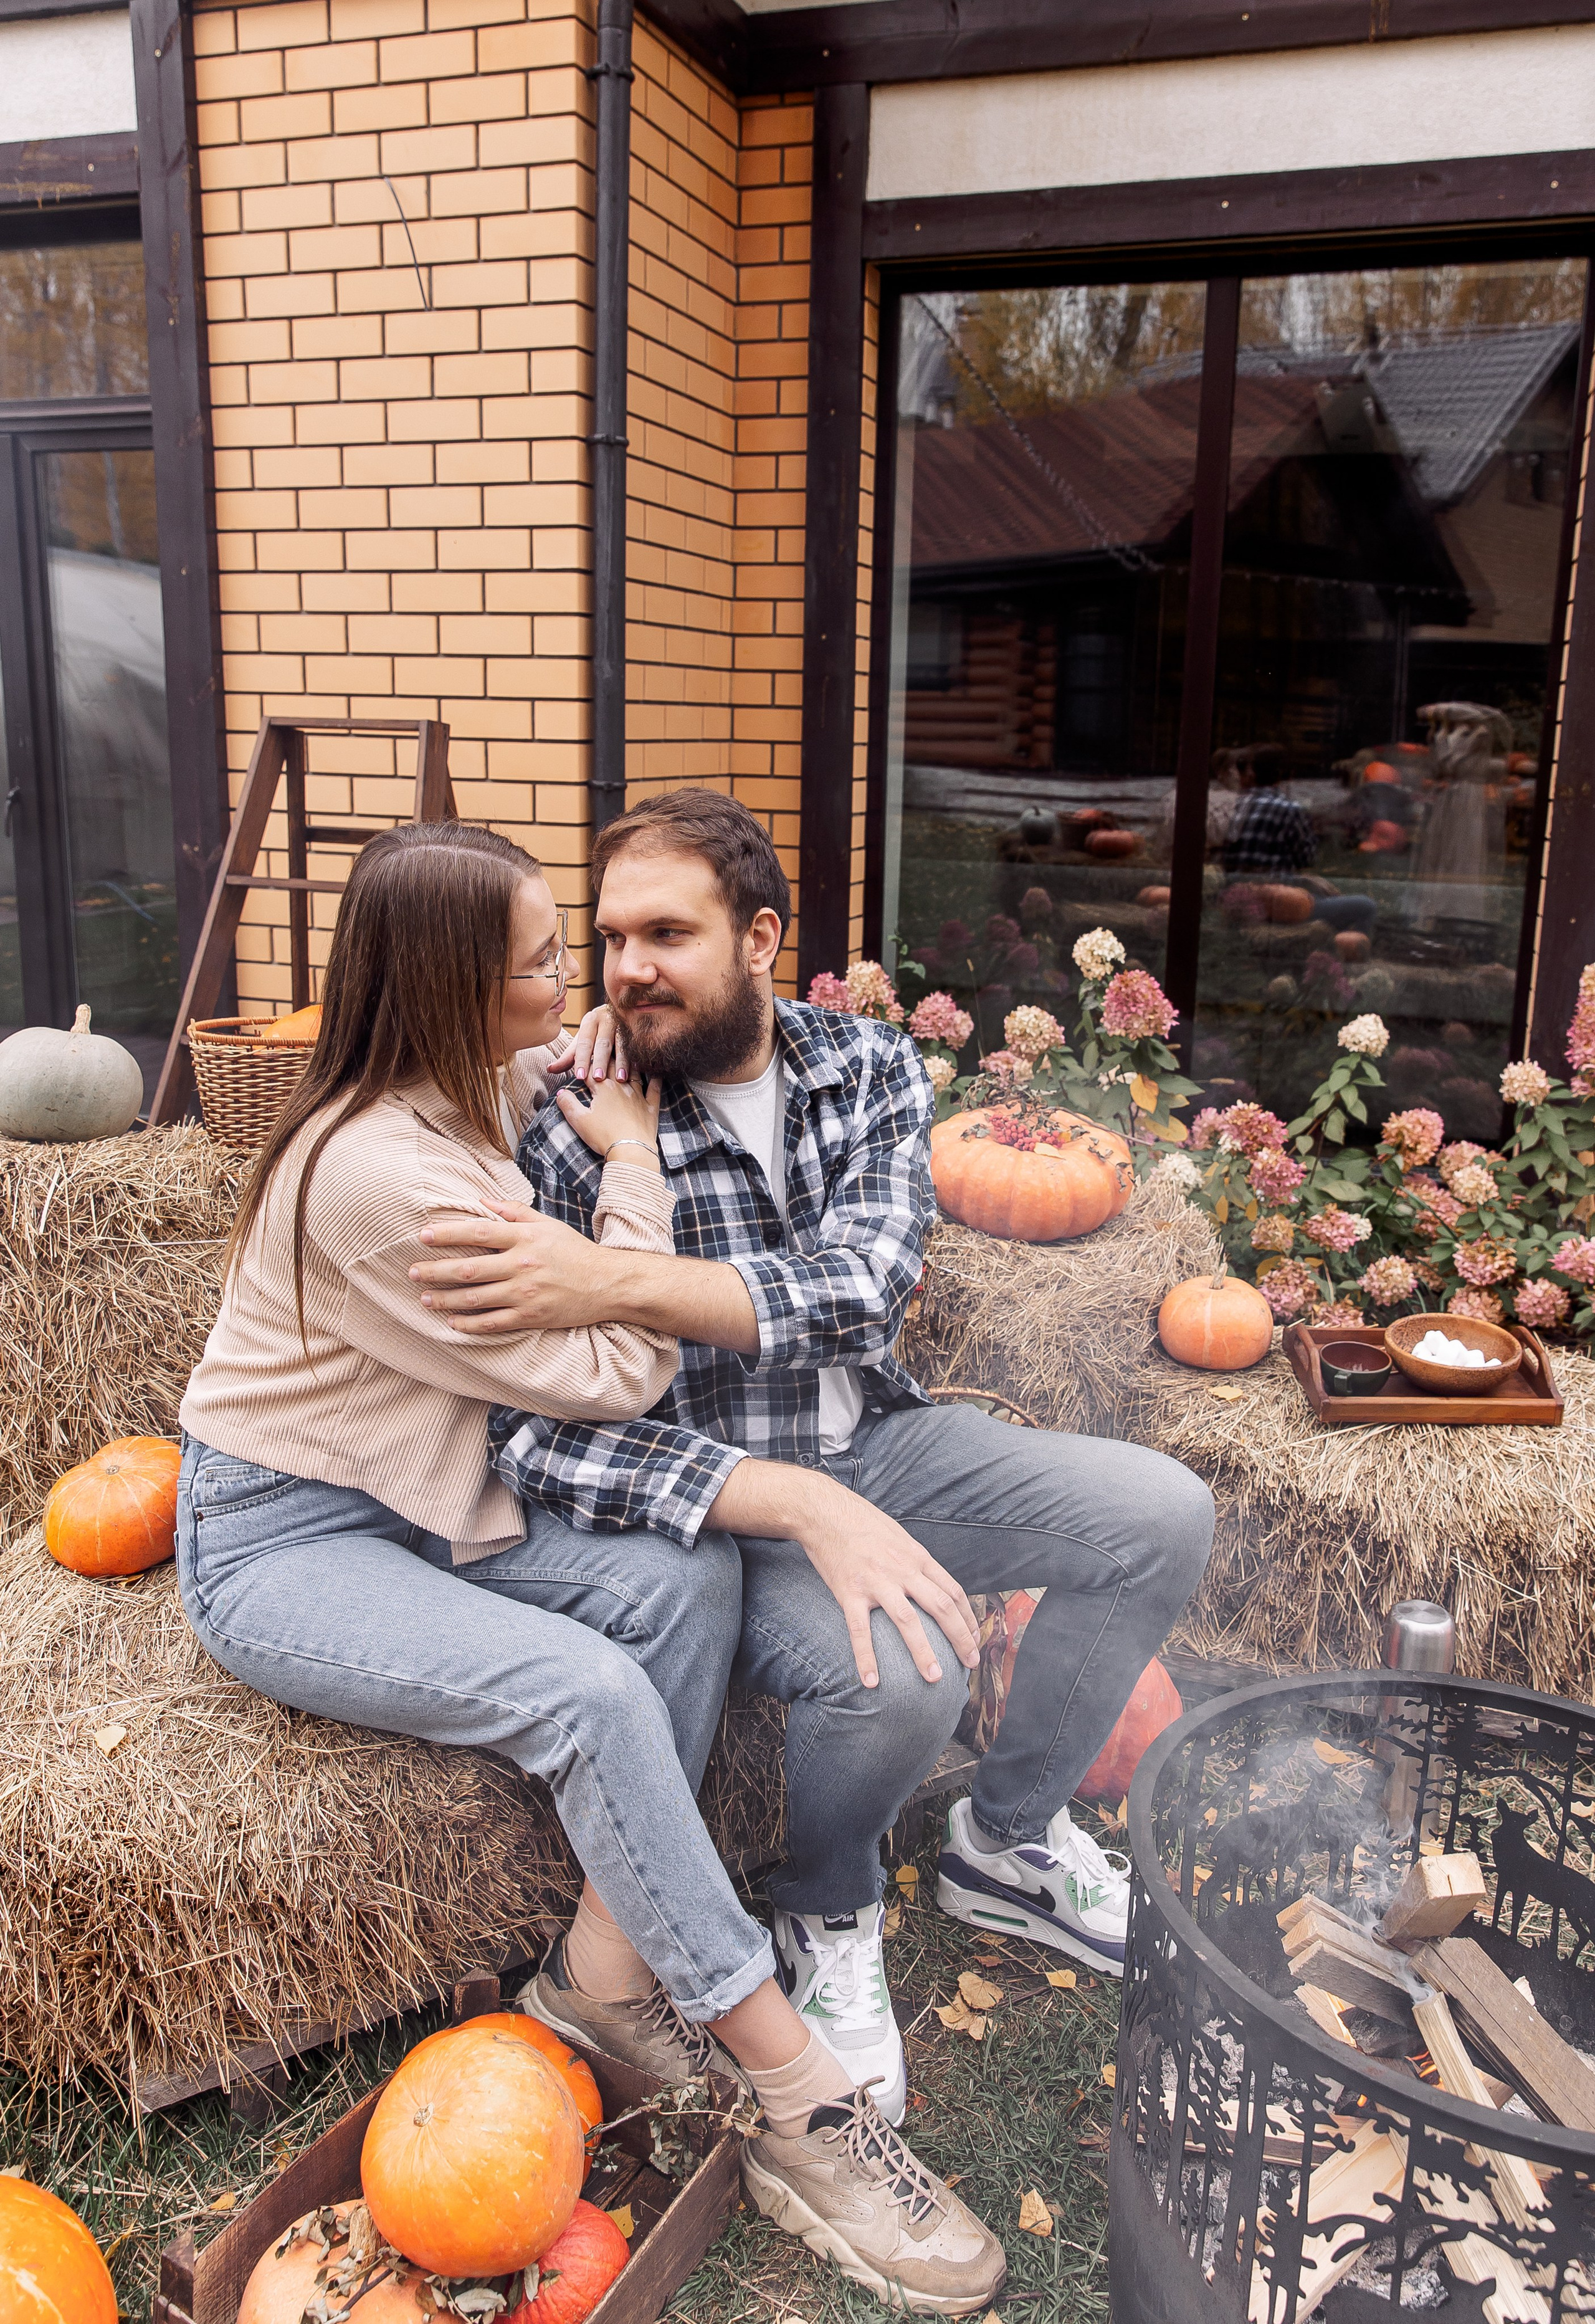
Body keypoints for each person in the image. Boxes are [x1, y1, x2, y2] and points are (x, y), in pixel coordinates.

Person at [176, 822, 1006, 2317]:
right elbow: (619, 1368)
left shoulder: (472, 1089)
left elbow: (595, 1191)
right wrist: (632, 1167)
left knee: (673, 1582)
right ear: (450, 983)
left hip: (429, 1505)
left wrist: (603, 1118)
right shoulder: (379, 1175)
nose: (590, 983)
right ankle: (803, 2101)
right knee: (587, 1690)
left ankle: (598, 1981)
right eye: (550, 960)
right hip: (289, 1536)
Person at [409, 789, 1215, 2133]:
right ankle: (826, 1904)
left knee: (1161, 1512)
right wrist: (760, 1493)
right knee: (908, 1664)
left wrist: (616, 1276)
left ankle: (1003, 1840)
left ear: (763, 935)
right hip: (708, 1504)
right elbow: (522, 1427)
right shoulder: (566, 1116)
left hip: (875, 1438)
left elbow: (859, 1292)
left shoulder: (869, 1067)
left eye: (666, 931)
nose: (625, 970)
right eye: (609, 937)